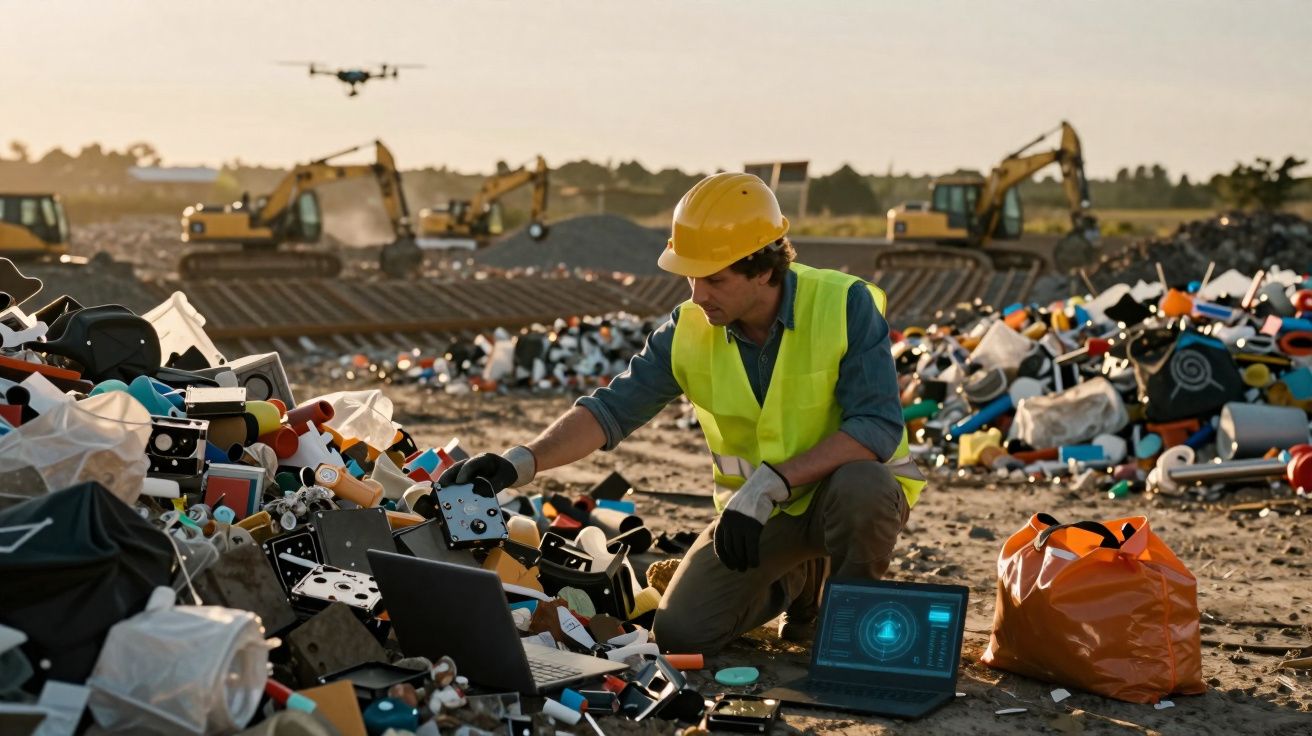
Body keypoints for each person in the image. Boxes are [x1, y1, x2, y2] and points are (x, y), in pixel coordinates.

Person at [439, 172, 925, 654]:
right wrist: (521, 461)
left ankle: (851, 629)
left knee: (866, 486)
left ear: (764, 270)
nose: (697, 294)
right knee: (682, 634)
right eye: (692, 277)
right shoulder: (689, 329)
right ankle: (799, 579)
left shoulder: (844, 304)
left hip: (837, 499)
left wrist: (769, 483)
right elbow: (610, 411)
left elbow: (876, 428)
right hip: (760, 515)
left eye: (714, 279)